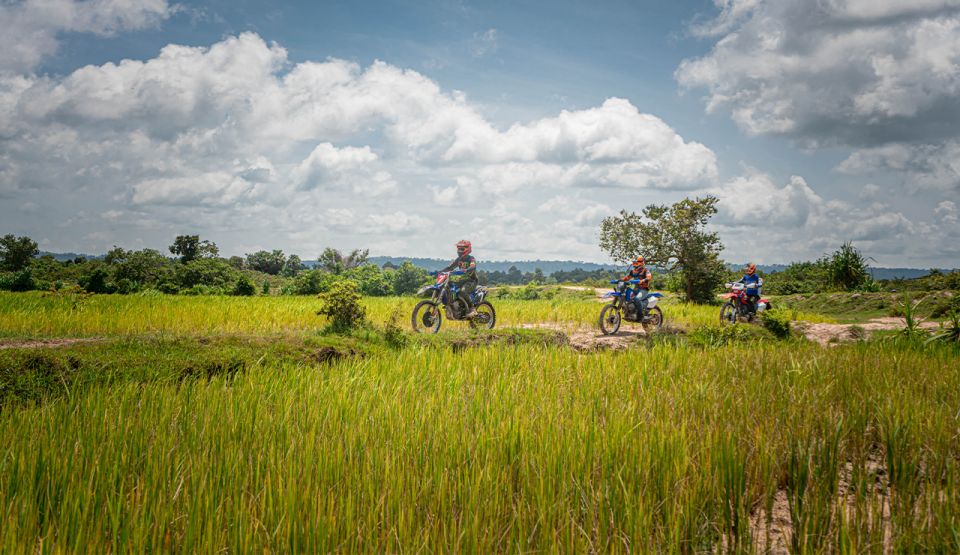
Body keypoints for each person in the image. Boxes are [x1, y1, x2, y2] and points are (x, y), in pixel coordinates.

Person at [440, 239, 478, 317]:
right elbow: (450, 267)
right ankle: (451, 305)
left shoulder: (471, 258)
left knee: (463, 291)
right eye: (458, 249)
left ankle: (472, 308)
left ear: (468, 249)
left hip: (471, 281)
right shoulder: (459, 259)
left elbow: (473, 266)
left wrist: (467, 269)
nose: (459, 250)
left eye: (462, 249)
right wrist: (439, 272)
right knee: (448, 286)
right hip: (461, 281)